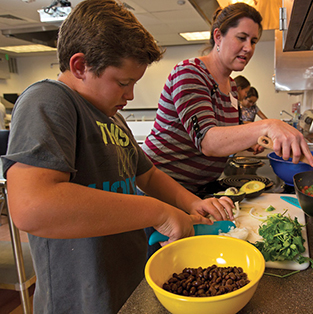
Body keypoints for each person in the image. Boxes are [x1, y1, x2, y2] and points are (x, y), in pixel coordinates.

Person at [1, 1, 234, 313]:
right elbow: (32, 208)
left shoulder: (113, 118)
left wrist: (191, 202)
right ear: (80, 66)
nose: (131, 95)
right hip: (84, 299)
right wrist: (160, 213)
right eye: (124, 83)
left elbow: (147, 174)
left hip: (127, 283)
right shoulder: (49, 100)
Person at [142, 2, 313, 194]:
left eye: (254, 41)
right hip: (158, 187)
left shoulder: (232, 87)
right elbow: (208, 142)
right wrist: (268, 125)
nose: (248, 48)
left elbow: (229, 135)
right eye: (241, 38)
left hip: (196, 188)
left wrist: (253, 141)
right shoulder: (190, 73)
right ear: (218, 36)